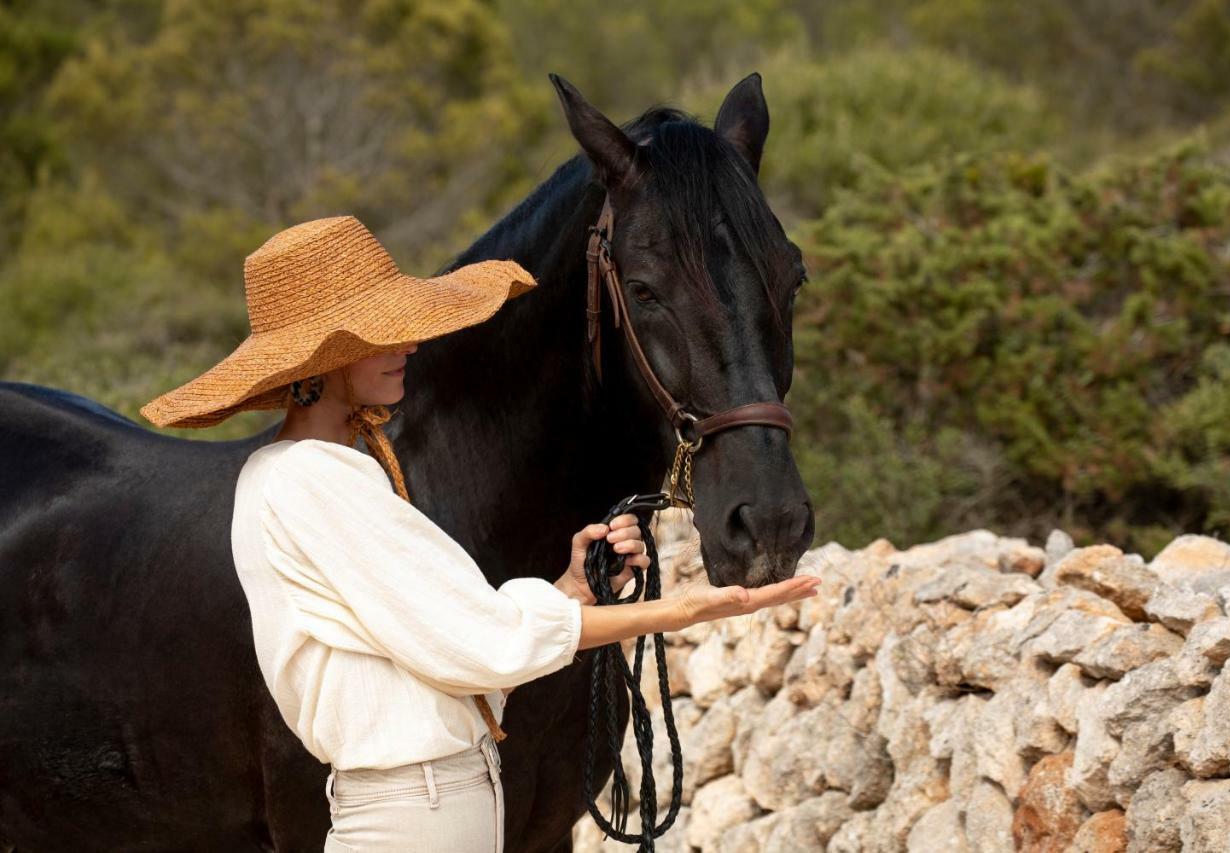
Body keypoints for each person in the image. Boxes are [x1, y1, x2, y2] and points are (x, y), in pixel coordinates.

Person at [140, 215, 821, 852]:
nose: (408, 341)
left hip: (426, 809)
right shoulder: (312, 479)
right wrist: (690, 609)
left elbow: (438, 653)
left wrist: (571, 590)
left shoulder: (317, 474)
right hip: (414, 816)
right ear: (322, 358)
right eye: (380, 330)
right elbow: (480, 644)